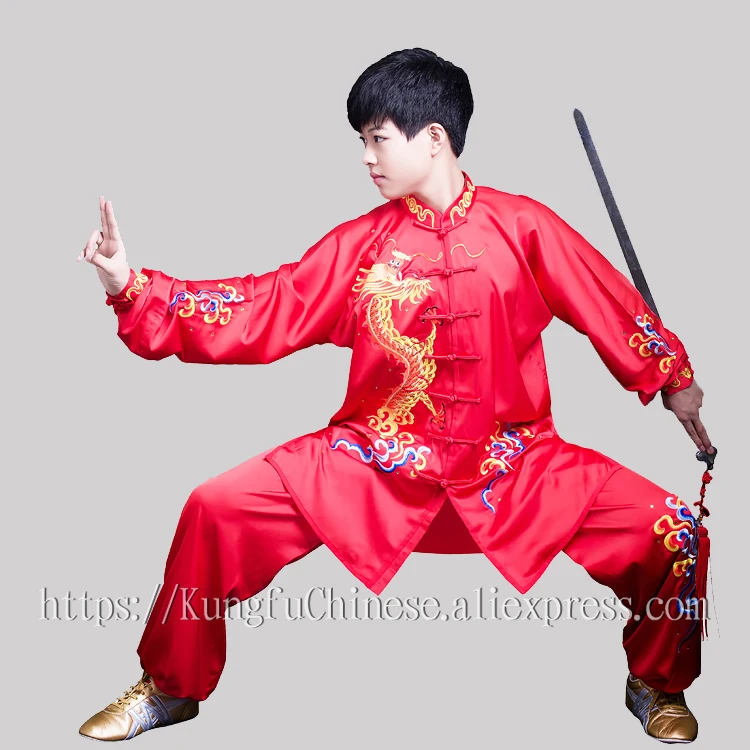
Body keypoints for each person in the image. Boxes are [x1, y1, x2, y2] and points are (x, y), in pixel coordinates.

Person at [77, 48, 713, 743]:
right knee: (214, 507)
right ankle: (171, 686)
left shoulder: (524, 225)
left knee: (676, 529)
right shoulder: (364, 245)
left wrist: (673, 380)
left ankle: (657, 681)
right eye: (363, 140)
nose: (366, 157)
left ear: (433, 137)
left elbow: (603, 298)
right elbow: (268, 304)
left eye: (377, 138)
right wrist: (132, 288)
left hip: (515, 466)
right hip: (373, 462)